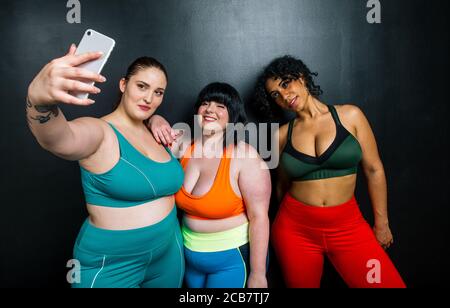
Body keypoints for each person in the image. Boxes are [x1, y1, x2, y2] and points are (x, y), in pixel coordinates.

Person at [26, 44, 185, 288]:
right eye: (141, 86)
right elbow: (60, 139)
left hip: (169, 254)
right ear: (123, 85)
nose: (149, 98)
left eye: (158, 92)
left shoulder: (157, 132)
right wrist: (39, 101)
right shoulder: (100, 132)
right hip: (113, 264)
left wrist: (155, 119)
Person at [253, 55, 406, 288]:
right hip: (295, 231)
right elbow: (281, 186)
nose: (284, 96)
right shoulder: (281, 135)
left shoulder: (350, 116)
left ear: (301, 77)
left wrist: (381, 222)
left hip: (348, 227)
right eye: (275, 94)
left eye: (286, 84)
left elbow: (374, 170)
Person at [150, 82, 271, 288]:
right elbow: (143, 129)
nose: (210, 110)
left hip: (231, 260)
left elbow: (259, 217)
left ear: (233, 115)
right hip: (189, 257)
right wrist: (155, 119)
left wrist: (258, 274)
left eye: (220, 106)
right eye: (205, 103)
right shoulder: (184, 144)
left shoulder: (245, 156)